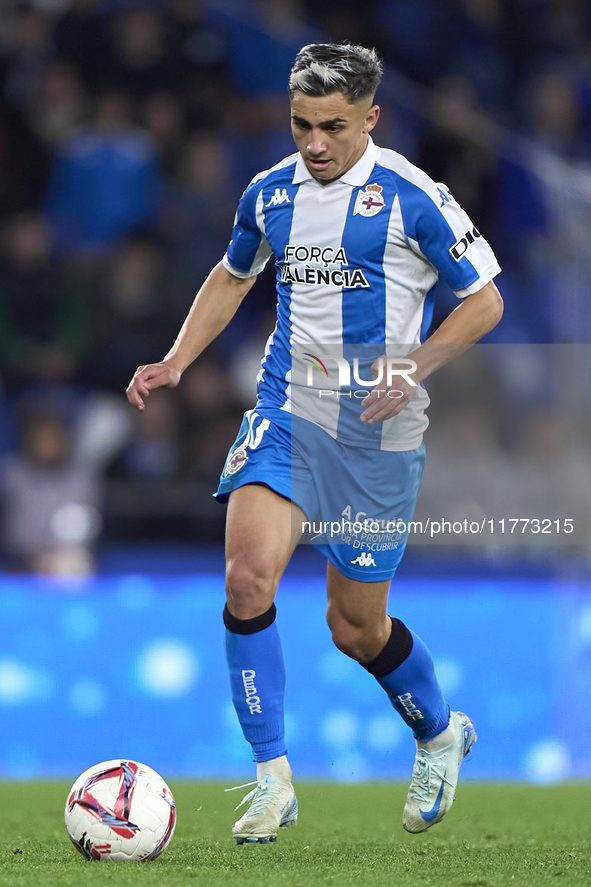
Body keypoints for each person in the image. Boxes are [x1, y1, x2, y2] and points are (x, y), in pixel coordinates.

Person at [126, 43, 503, 843]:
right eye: (301, 124)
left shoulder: (413, 197)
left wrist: (413, 366)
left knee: (354, 627)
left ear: (371, 117)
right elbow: (232, 276)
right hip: (288, 409)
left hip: (377, 431)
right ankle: (271, 780)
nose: (315, 143)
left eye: (333, 126)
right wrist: (176, 359)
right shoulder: (269, 194)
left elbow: (484, 302)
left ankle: (439, 732)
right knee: (245, 578)